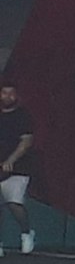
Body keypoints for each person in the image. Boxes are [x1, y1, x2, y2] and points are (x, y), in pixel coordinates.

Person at [0, 84, 34, 254]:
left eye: (11, 93)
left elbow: (26, 141)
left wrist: (10, 160)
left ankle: (26, 233)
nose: (7, 96)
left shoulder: (22, 116)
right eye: (4, 93)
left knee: (14, 203)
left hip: (18, 168)